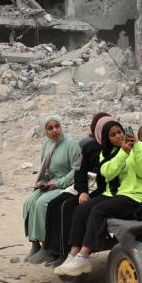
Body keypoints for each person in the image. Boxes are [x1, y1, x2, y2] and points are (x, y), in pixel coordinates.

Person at [55, 118, 142, 277]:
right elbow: (107, 173)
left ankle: (84, 256)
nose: (118, 137)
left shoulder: (139, 147)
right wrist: (122, 153)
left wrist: (136, 149)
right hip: (114, 193)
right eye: (112, 135)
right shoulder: (105, 153)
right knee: (81, 210)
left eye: (119, 132)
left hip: (135, 195)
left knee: (99, 210)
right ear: (107, 138)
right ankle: (73, 255)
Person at [42, 112, 110, 267]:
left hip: (98, 188)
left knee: (67, 208)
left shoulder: (112, 147)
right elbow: (80, 169)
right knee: (54, 205)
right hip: (85, 184)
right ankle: (53, 250)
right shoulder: (89, 144)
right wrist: (82, 190)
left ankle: (65, 251)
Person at [23, 116, 81, 264]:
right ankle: (35, 243)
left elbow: (76, 170)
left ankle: (47, 246)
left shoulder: (71, 144)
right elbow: (46, 169)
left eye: (57, 126)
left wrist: (57, 184)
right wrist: (44, 182)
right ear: (46, 131)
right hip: (52, 183)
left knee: (42, 203)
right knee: (29, 201)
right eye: (50, 128)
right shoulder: (47, 144)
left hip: (68, 184)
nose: (55, 130)